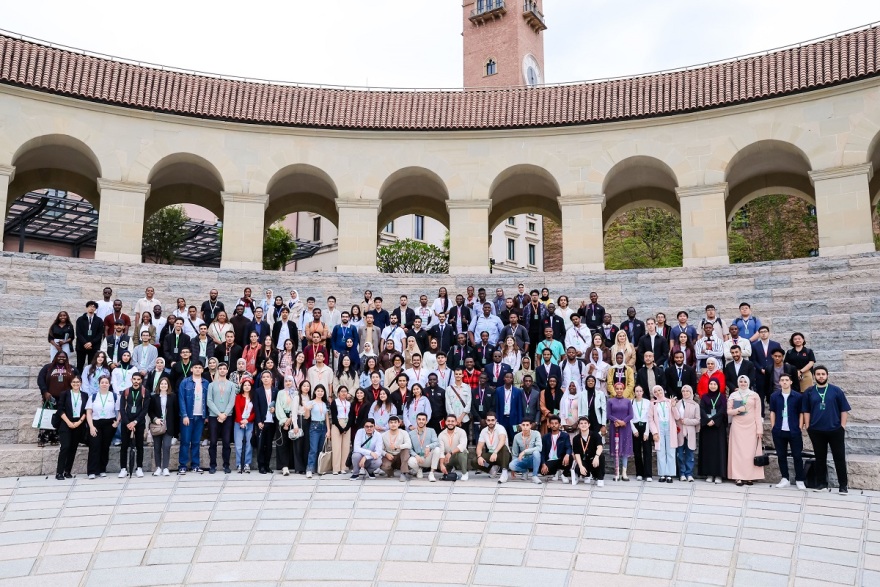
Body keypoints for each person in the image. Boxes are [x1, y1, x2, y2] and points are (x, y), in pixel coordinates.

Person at [802, 366, 851, 493]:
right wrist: (808, 426)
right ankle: (821, 484)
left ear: (827, 375)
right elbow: (806, 410)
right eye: (818, 374)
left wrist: (842, 426)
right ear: (814, 376)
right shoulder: (809, 391)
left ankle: (843, 485)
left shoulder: (836, 390)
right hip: (816, 430)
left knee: (839, 457)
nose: (821, 376)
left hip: (835, 429)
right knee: (820, 458)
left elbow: (844, 409)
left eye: (823, 374)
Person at [769, 373, 806, 490]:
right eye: (782, 380)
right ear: (779, 383)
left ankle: (800, 479)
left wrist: (800, 426)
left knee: (797, 455)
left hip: (794, 430)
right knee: (781, 455)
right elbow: (772, 412)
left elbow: (801, 412)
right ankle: (785, 478)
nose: (784, 382)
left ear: (791, 382)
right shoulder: (774, 396)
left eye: (786, 380)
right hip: (779, 430)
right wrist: (774, 426)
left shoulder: (798, 396)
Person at [727, 375, 764, 486]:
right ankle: (737, 476)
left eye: (745, 381)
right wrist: (738, 410)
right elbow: (728, 411)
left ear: (748, 383)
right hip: (737, 426)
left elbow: (758, 413)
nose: (743, 383)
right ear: (738, 383)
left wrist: (759, 430)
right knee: (738, 452)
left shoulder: (754, 395)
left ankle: (749, 477)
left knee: (749, 452)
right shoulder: (733, 395)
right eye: (741, 381)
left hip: (751, 426)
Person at [37, 351, 77, 446]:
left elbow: (78, 379)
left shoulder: (71, 368)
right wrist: (44, 392)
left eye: (63, 357)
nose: (61, 358)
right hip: (50, 398)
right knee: (47, 417)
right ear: (55, 357)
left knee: (60, 419)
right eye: (59, 356)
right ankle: (43, 439)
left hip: (66, 398)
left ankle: (55, 438)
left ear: (66, 358)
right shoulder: (48, 368)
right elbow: (40, 380)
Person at [55, 375, 89, 480]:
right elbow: (60, 409)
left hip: (78, 424)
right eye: (74, 382)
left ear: (81, 383)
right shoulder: (65, 394)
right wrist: (69, 422)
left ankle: (67, 471)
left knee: (73, 448)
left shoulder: (84, 395)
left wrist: (79, 422)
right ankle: (59, 472)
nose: (76, 384)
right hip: (66, 423)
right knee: (65, 447)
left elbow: (86, 411)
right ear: (70, 383)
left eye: (78, 382)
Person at [85, 375, 119, 479]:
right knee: (94, 446)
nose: (104, 384)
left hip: (109, 423)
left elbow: (120, 410)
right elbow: (88, 412)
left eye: (106, 382)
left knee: (105, 447)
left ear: (109, 384)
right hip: (96, 423)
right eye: (102, 382)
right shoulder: (93, 396)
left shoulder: (114, 396)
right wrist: (91, 426)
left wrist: (117, 422)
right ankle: (92, 471)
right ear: (99, 384)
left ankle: (102, 469)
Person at [178, 362, 209, 474]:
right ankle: (182, 465)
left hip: (200, 416)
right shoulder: (185, 382)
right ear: (191, 369)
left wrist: (207, 416)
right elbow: (181, 399)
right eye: (195, 367)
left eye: (200, 368)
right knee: (185, 441)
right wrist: (184, 415)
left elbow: (208, 400)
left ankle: (195, 465)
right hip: (188, 416)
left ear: (202, 370)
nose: (197, 369)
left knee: (196, 442)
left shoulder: (206, 383)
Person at [118, 373, 149, 478]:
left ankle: (139, 467)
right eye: (134, 379)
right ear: (131, 380)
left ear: (141, 381)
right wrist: (127, 423)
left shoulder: (145, 392)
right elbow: (122, 409)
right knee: (124, 446)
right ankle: (123, 468)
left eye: (138, 379)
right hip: (126, 423)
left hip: (139, 423)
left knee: (139, 446)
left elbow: (145, 410)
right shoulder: (126, 392)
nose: (136, 381)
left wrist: (135, 422)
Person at [206, 363, 235, 474]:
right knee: (213, 441)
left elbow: (232, 401)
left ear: (227, 371)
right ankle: (212, 465)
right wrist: (219, 414)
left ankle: (226, 465)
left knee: (226, 442)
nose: (222, 371)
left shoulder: (231, 385)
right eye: (220, 369)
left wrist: (225, 414)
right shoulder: (212, 385)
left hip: (227, 416)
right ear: (218, 370)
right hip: (214, 416)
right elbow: (209, 400)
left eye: (224, 369)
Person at [699, 378, 727, 484]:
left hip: (718, 427)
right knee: (708, 451)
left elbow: (722, 410)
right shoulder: (704, 397)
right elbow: (701, 409)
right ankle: (709, 474)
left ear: (718, 385)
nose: (713, 386)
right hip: (707, 428)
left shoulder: (722, 397)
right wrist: (707, 420)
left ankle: (719, 474)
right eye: (711, 384)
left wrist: (714, 420)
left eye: (715, 384)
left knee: (719, 451)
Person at [148, 376, 178, 476]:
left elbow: (175, 413)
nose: (163, 385)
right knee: (157, 447)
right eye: (162, 384)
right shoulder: (154, 397)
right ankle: (158, 467)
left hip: (168, 426)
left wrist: (176, 432)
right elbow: (150, 411)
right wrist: (155, 419)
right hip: (157, 426)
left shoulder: (173, 396)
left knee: (166, 446)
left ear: (168, 385)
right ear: (159, 385)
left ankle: (165, 467)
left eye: (165, 384)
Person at [650, 385, 678, 483]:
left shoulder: (670, 401)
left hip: (670, 428)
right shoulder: (653, 404)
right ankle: (662, 474)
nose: (658, 392)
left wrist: (674, 406)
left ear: (663, 391)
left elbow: (677, 416)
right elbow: (650, 419)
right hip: (659, 427)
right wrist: (654, 432)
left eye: (660, 390)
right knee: (660, 451)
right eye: (656, 391)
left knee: (670, 451)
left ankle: (670, 474)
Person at [606, 382, 634, 481]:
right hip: (615, 427)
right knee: (616, 448)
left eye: (621, 389)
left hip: (625, 427)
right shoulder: (610, 401)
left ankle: (624, 473)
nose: (619, 391)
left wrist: (623, 422)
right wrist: (617, 421)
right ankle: (616, 472)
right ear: (614, 389)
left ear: (623, 389)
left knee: (625, 448)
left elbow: (631, 415)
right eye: (617, 389)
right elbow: (608, 415)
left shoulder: (627, 401)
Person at [252, 370, 279, 474]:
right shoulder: (258, 391)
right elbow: (256, 407)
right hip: (262, 422)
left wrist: (275, 409)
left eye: (268, 377)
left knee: (269, 445)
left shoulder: (276, 391)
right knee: (260, 445)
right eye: (264, 377)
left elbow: (279, 404)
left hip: (271, 421)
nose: (266, 378)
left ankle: (267, 465)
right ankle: (261, 466)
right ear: (261, 379)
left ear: (271, 379)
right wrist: (258, 421)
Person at [274, 375, 301, 475]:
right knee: (283, 442)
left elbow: (297, 407)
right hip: (283, 417)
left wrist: (291, 419)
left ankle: (294, 465)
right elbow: (278, 406)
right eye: (286, 381)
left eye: (290, 381)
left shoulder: (296, 393)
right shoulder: (280, 393)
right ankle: (284, 466)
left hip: (294, 418)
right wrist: (284, 420)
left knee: (294, 442)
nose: (288, 383)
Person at [304, 384, 330, 478]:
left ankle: (319, 468)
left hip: (323, 427)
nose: (320, 393)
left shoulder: (325, 403)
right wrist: (307, 409)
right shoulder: (311, 402)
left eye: (322, 391)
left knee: (320, 449)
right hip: (314, 426)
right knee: (313, 449)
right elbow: (306, 417)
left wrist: (328, 430)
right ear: (315, 392)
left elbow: (327, 417)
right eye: (318, 391)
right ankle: (310, 469)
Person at [476, 412, 511, 482]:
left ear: (496, 420)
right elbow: (479, 446)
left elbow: (502, 440)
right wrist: (479, 457)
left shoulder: (500, 428)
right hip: (491, 455)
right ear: (486, 421)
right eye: (488, 420)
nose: (490, 422)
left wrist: (495, 452)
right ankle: (490, 469)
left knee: (504, 447)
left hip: (503, 455)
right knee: (475, 461)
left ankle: (504, 473)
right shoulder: (483, 431)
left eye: (492, 420)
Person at [676, 385, 701, 482]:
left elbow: (697, 420)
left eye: (687, 391)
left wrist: (686, 421)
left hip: (690, 431)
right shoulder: (678, 404)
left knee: (690, 453)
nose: (685, 393)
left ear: (691, 393)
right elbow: (675, 417)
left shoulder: (695, 405)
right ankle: (682, 473)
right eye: (683, 391)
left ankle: (689, 473)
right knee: (680, 453)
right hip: (680, 431)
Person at [571, 416, 605, 487]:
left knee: (601, 457)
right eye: (581, 423)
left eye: (585, 423)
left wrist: (596, 456)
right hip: (584, 460)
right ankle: (587, 475)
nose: (583, 425)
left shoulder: (595, 435)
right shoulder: (576, 439)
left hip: (594, 459)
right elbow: (576, 454)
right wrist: (580, 466)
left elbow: (600, 447)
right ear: (579, 426)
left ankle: (600, 478)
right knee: (578, 468)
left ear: (589, 425)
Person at [408, 412, 441, 480]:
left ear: (426, 421)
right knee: (410, 461)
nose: (421, 421)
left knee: (437, 449)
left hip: (428, 457)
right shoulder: (411, 433)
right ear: (416, 420)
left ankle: (431, 473)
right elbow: (409, 448)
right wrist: (415, 455)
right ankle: (418, 470)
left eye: (423, 419)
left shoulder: (431, 431)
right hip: (418, 458)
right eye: (419, 419)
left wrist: (429, 446)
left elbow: (437, 442)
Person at [509, 419, 543, 484]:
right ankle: (524, 471)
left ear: (530, 426)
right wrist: (513, 469)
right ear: (520, 426)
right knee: (511, 465)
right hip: (523, 459)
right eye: (523, 425)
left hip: (533, 459)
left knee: (536, 453)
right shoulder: (517, 436)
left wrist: (525, 452)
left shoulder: (536, 434)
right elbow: (515, 453)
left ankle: (534, 475)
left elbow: (539, 448)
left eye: (527, 425)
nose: (525, 427)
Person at [540, 415, 572, 482]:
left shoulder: (565, 435)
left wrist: (567, 455)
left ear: (559, 425)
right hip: (550, 460)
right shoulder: (546, 437)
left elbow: (568, 447)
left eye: (556, 423)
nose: (554, 425)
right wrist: (543, 464)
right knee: (543, 472)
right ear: (549, 425)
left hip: (560, 459)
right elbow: (542, 452)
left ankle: (564, 474)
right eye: (552, 423)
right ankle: (556, 472)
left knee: (570, 457)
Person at [630, 385, 653, 482]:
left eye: (640, 391)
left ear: (643, 392)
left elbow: (649, 417)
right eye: (636, 391)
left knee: (647, 451)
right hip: (635, 426)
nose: (638, 393)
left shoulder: (648, 402)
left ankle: (648, 474)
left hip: (645, 426)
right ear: (634, 392)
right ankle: (639, 473)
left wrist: (647, 432)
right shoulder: (631, 402)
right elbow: (630, 417)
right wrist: (634, 429)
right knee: (637, 451)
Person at [380, 415, 412, 481]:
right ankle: (390, 473)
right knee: (384, 466)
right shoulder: (383, 435)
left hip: (400, 455)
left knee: (406, 450)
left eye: (395, 422)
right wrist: (386, 454)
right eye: (391, 422)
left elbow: (409, 445)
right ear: (388, 424)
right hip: (390, 455)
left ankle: (404, 473)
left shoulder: (404, 433)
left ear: (399, 423)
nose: (393, 424)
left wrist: (398, 446)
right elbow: (380, 449)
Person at [329, 386, 352, 475]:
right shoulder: (335, 402)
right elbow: (334, 417)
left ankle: (344, 467)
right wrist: (340, 428)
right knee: (336, 446)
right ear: (338, 393)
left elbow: (351, 416)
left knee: (346, 447)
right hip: (337, 424)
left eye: (345, 391)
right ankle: (336, 468)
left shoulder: (349, 403)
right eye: (341, 391)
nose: (343, 393)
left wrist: (346, 428)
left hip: (346, 424)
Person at [438, 414, 469, 481]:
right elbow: (441, 451)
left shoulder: (461, 432)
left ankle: (464, 473)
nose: (450, 423)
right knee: (439, 464)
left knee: (463, 452)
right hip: (448, 458)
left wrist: (451, 453)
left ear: (456, 422)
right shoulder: (441, 435)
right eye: (448, 421)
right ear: (445, 422)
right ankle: (450, 468)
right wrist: (441, 464)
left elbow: (463, 445)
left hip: (458, 456)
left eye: (452, 421)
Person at [446, 367, 472, 441]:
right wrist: (455, 419)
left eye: (459, 374)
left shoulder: (467, 387)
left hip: (464, 418)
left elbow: (468, 403)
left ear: (462, 375)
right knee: (453, 439)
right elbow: (448, 405)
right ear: (454, 375)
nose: (458, 375)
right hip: (452, 420)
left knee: (464, 438)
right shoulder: (449, 389)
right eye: (456, 374)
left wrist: (460, 418)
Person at [75, 301, 103, 369]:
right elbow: (78, 333)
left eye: (94, 307)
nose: (92, 308)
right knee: (80, 365)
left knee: (92, 365)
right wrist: (85, 343)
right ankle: (79, 379)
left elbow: (100, 334)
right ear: (87, 307)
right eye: (90, 306)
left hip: (93, 346)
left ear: (95, 309)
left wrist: (91, 343)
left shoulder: (99, 320)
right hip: (81, 346)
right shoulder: (80, 319)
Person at [293, 381, 313, 474]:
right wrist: (295, 425)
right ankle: (299, 467)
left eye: (308, 386)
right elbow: (294, 412)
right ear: (300, 387)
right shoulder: (297, 397)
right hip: (299, 420)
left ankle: (306, 466)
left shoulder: (310, 398)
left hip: (308, 421)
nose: (306, 387)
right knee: (298, 444)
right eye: (304, 386)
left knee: (307, 444)